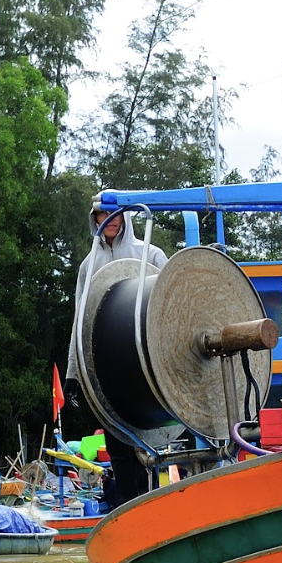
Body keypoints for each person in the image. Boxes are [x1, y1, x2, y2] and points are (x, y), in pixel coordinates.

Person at [66, 202, 164, 506]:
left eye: (117, 213)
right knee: (119, 449)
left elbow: (170, 308)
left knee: (146, 447)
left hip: (145, 367)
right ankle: (125, 514)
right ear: (94, 218)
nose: (111, 219)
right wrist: (73, 374)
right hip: (107, 370)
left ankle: (151, 508)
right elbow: (80, 322)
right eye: (102, 213)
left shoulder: (150, 254)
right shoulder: (88, 265)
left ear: (126, 216)